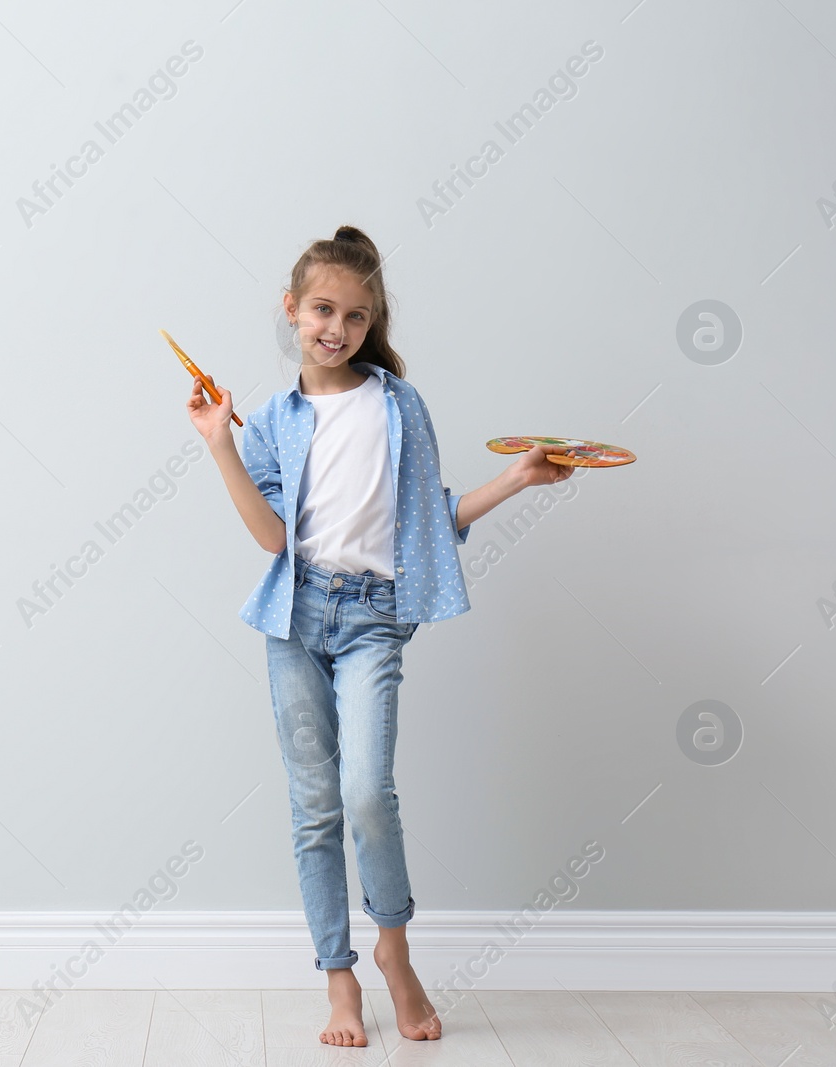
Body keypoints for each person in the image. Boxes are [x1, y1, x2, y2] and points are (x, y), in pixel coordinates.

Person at [186, 225, 574, 1046]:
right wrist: (222, 444)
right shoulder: (274, 422)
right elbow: (269, 538)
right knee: (313, 807)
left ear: (372, 324)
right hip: (294, 618)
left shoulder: (399, 404)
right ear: (291, 310)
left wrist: (516, 478)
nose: (338, 327)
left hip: (372, 619)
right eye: (323, 309)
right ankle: (339, 981)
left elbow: (431, 521)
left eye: (357, 316)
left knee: (366, 790)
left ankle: (394, 950)